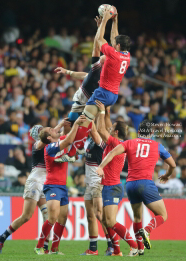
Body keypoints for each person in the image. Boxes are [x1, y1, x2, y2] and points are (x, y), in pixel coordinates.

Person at [57, 8, 131, 161]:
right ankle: (81, 149)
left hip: (102, 93)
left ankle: (74, 153)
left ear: (116, 47)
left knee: (82, 121)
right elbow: (114, 39)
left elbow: (99, 41)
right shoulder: (126, 55)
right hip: (113, 95)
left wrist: (104, 20)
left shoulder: (110, 55)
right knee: (88, 123)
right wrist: (115, 21)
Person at [96, 119, 176, 253]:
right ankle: (147, 230)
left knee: (137, 217)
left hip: (131, 184)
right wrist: (167, 174)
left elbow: (112, 153)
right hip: (146, 183)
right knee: (163, 215)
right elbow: (172, 164)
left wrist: (101, 167)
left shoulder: (129, 142)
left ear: (138, 132)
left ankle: (139, 249)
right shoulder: (157, 145)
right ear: (151, 133)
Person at [0, 119, 69, 254]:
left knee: (48, 216)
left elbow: (59, 137)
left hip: (46, 182)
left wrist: (65, 125)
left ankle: (44, 248)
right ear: (40, 135)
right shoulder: (38, 144)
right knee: (26, 216)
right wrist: (60, 126)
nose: (50, 129)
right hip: (35, 181)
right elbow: (46, 140)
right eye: (45, 130)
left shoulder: (52, 143)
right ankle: (2, 237)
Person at [54, 15, 106, 162]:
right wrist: (67, 72)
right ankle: (80, 147)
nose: (102, 56)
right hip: (82, 102)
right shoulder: (97, 73)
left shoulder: (98, 69)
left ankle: (75, 150)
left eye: (104, 57)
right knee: (73, 125)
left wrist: (100, 28)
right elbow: (84, 75)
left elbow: (96, 46)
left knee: (73, 125)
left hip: (84, 104)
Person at [34, 115, 86, 255]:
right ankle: (39, 246)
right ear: (49, 138)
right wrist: (75, 125)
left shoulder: (60, 141)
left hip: (62, 187)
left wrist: (76, 124)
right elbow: (69, 139)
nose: (54, 129)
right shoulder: (49, 148)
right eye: (51, 129)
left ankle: (54, 249)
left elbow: (70, 137)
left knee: (62, 219)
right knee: (53, 217)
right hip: (52, 186)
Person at [95, 100, 138, 256]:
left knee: (111, 221)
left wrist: (100, 112)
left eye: (112, 128)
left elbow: (100, 128)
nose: (109, 128)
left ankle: (134, 246)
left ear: (116, 133)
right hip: (109, 186)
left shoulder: (116, 144)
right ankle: (117, 251)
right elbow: (106, 126)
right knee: (106, 221)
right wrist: (106, 112)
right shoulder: (115, 143)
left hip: (113, 187)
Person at [80, 116, 114, 256]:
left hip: (98, 182)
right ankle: (93, 249)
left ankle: (112, 244)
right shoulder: (91, 142)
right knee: (90, 216)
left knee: (100, 215)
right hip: (89, 184)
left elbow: (95, 129)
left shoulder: (101, 143)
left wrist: (89, 115)